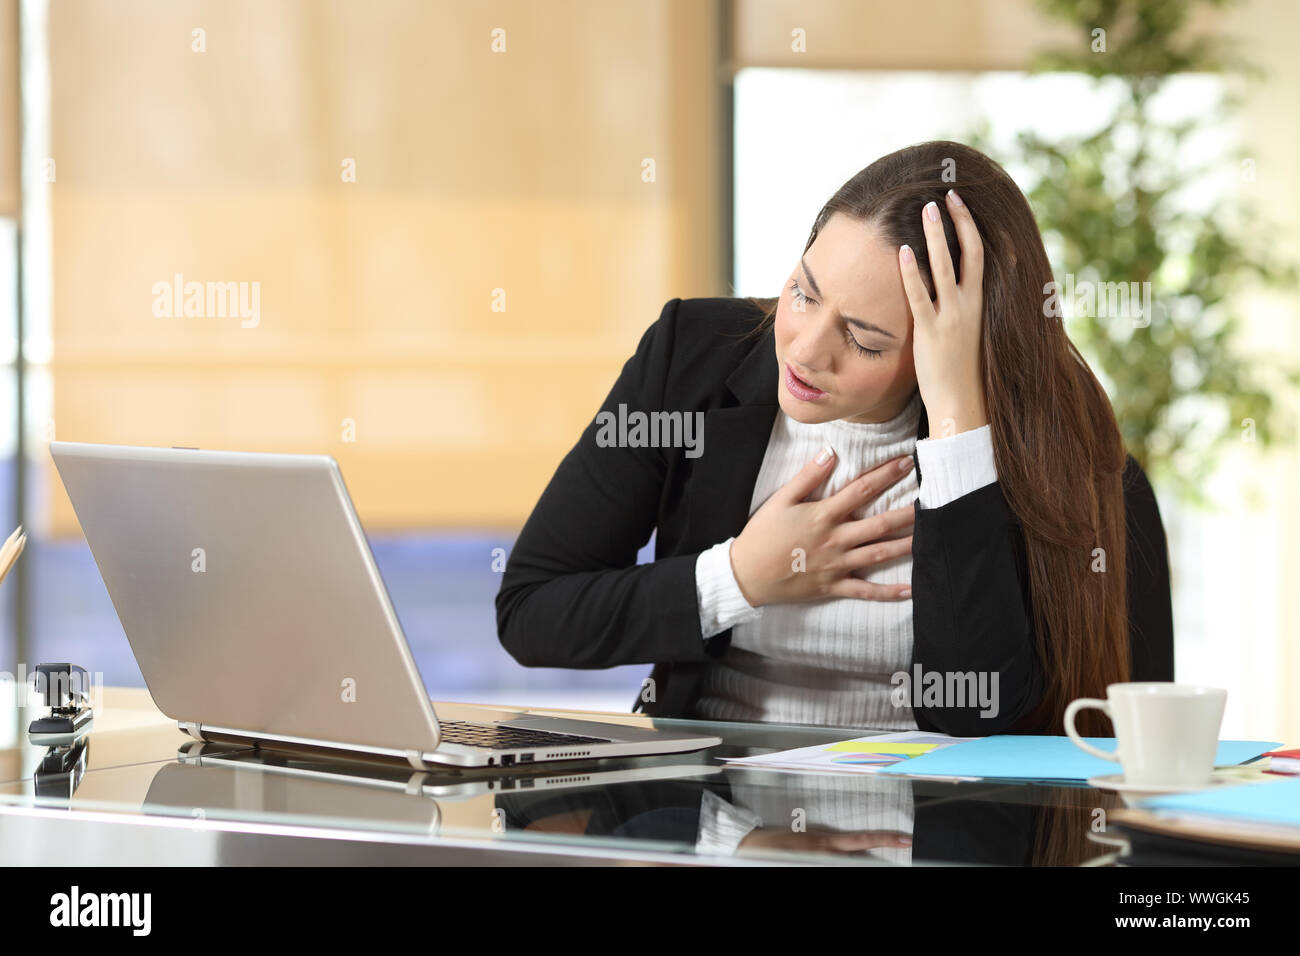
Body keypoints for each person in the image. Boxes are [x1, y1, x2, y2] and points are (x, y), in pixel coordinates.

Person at [495, 141, 1173, 737]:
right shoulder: (690, 358)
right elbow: (532, 611)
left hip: (926, 830)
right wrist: (737, 577)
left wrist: (959, 420)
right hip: (710, 817)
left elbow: (976, 713)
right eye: (803, 293)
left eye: (864, 338)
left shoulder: (1077, 465)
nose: (806, 351)